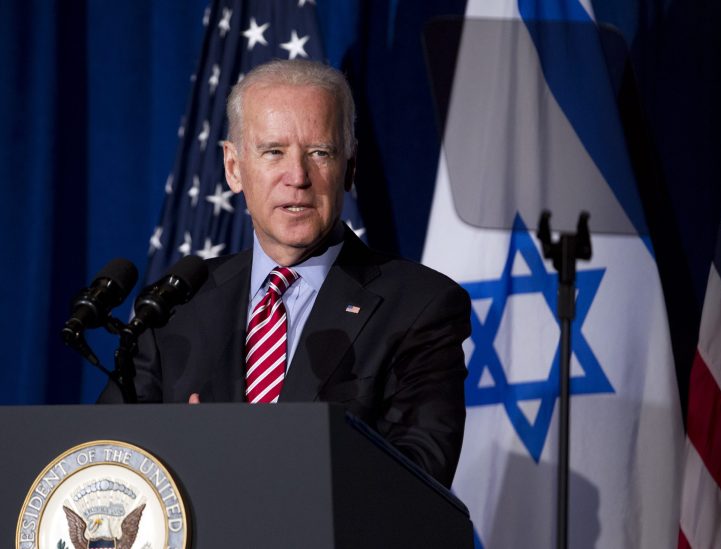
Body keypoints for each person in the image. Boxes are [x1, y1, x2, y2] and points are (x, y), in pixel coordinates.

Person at [99, 59, 471, 488]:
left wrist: (248, 457)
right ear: (234, 168)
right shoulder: (174, 306)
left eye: (320, 153)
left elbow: (417, 476)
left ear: (349, 167)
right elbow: (109, 463)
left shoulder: (419, 306)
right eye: (273, 152)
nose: (298, 177)